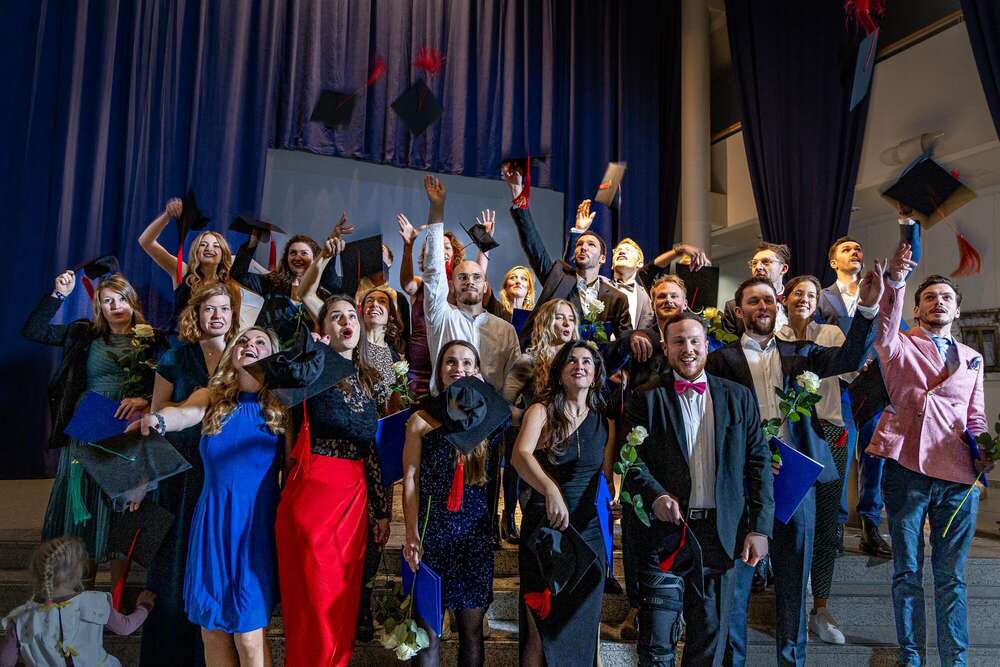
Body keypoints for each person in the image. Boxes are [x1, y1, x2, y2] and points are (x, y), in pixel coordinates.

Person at [709, 272, 882, 666]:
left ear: (779, 305)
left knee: (793, 585)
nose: (763, 308)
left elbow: (851, 358)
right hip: (745, 482)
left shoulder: (801, 352)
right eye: (753, 301)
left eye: (769, 300)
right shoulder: (720, 360)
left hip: (796, 479)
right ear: (739, 311)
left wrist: (868, 309)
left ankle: (792, 661)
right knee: (737, 587)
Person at [621, 313, 773, 666]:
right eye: (678, 342)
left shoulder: (738, 397)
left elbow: (758, 465)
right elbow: (630, 461)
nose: (687, 349)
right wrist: (656, 494)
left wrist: (760, 528)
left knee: (709, 644)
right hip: (664, 536)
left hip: (720, 536)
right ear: (665, 347)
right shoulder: (645, 398)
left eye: (694, 341)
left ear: (707, 345)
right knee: (656, 646)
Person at [130, 327, 285, 667]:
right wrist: (157, 419)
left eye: (260, 342)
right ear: (231, 352)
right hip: (212, 524)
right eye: (243, 340)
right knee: (212, 631)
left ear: (273, 356)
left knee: (247, 634)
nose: (249, 345)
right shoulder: (212, 397)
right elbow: (183, 413)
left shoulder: (282, 405)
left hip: (253, 530)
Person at [865, 251, 989, 667]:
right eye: (931, 297)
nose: (939, 302)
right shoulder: (898, 344)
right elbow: (882, 328)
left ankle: (956, 661)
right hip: (907, 469)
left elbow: (976, 416)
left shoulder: (972, 358)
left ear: (957, 308)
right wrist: (897, 282)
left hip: (958, 475)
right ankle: (911, 657)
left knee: (952, 578)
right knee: (907, 573)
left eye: (946, 297)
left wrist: (985, 448)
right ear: (916, 309)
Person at [20, 270, 165, 587]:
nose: (115, 305)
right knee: (83, 507)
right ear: (99, 306)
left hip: (127, 429)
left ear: (132, 301)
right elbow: (34, 330)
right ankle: (78, 594)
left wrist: (147, 399)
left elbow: (172, 382)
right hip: (88, 426)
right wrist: (58, 294)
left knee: (120, 508)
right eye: (107, 300)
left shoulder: (154, 339)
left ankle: (115, 600)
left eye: (121, 299)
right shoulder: (84, 334)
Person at [275, 296, 388, 666]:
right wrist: (310, 354)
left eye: (351, 316)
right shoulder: (312, 367)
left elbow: (371, 449)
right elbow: (280, 383)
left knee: (343, 600)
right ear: (322, 330)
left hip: (354, 497)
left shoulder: (367, 379)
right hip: (315, 494)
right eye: (335, 317)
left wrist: (380, 510)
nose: (346, 322)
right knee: (315, 601)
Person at [140, 282, 239, 667]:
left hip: (225, 472)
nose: (216, 315)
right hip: (181, 471)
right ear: (196, 316)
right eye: (209, 309)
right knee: (175, 563)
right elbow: (158, 414)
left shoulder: (243, 357)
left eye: (223, 309)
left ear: (233, 317)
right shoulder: (175, 357)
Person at [401, 341, 511, 666]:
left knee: (472, 630)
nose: (458, 369)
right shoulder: (422, 420)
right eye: (450, 362)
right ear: (440, 370)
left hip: (473, 536)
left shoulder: (492, 420)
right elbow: (410, 479)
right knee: (428, 631)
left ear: (477, 371)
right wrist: (411, 533)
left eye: (466, 363)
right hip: (432, 533)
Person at [512, 341, 617, 666]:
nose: (580, 365)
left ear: (597, 373)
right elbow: (520, 456)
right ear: (559, 372)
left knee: (584, 633)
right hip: (547, 533)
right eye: (571, 360)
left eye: (587, 361)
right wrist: (550, 489)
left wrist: (615, 504)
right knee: (539, 634)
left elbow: (607, 478)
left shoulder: (605, 422)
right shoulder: (540, 411)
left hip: (589, 537)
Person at [776, 275, 851, 645]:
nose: (804, 299)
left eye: (811, 295)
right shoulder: (770, 335)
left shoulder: (832, 336)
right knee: (778, 523)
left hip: (826, 432)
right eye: (797, 293)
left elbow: (854, 369)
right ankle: (784, 605)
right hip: (782, 436)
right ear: (784, 298)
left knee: (825, 526)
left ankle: (820, 608)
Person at [419, 176, 520, 392]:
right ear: (452, 285)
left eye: (476, 277)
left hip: (491, 417)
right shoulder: (441, 317)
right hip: (445, 409)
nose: (469, 281)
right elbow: (434, 271)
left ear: (485, 285)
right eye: (462, 277)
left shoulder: (505, 330)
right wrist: (437, 209)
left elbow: (513, 383)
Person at [1, 537, 155, 667]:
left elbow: (6, 661)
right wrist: (144, 606)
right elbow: (125, 627)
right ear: (78, 572)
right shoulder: (95, 602)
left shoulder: (23, 618)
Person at [501, 299, 580, 544]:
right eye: (559, 317)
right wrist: (530, 420)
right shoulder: (529, 361)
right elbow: (504, 405)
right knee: (541, 522)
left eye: (571, 318)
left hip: (574, 453)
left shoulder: (582, 361)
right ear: (546, 322)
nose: (566, 323)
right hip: (538, 452)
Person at [231, 217, 350, 344]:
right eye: (293, 253)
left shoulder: (325, 288)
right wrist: (252, 243)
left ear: (315, 258)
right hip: (270, 349)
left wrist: (329, 250)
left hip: (306, 353)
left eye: (304, 253)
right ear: (286, 258)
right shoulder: (273, 282)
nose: (297, 257)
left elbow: (336, 287)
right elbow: (238, 274)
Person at [397, 211, 467, 397]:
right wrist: (408, 245)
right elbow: (406, 284)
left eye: (446, 247)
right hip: (419, 368)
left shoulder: (463, 288)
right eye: (435, 247)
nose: (441, 252)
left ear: (455, 253)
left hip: (451, 364)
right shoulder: (421, 284)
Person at [138, 197, 235, 325]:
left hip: (212, 341)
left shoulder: (230, 281)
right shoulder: (183, 271)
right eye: (203, 244)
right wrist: (167, 216)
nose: (209, 248)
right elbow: (146, 242)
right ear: (195, 250)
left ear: (224, 254)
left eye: (216, 246)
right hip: (178, 339)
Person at [722, 242, 791, 336]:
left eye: (766, 262)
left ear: (783, 269)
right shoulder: (733, 306)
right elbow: (728, 346)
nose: (758, 267)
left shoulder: (796, 302)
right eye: (754, 263)